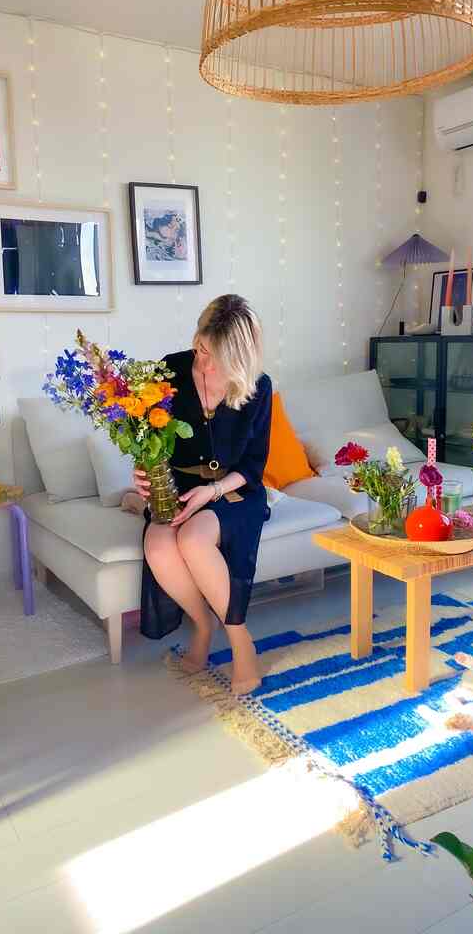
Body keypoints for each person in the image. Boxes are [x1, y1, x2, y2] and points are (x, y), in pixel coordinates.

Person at [135, 295, 272, 694]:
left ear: (240, 357)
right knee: (159, 547)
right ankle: (202, 625)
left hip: (232, 490)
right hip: (177, 487)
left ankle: (240, 642)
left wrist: (210, 491)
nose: (205, 363)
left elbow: (252, 468)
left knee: (193, 540)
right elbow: (150, 440)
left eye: (217, 357)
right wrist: (145, 471)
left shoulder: (258, 389)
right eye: (201, 349)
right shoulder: (170, 370)